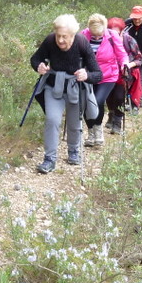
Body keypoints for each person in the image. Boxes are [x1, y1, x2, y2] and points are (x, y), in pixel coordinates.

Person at [29, 14, 102, 173]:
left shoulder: (82, 42)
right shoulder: (50, 40)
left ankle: (74, 151)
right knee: (52, 120)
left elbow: (98, 74)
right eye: (58, 36)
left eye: (64, 37)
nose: (60, 40)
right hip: (53, 86)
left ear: (73, 35)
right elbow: (35, 59)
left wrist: (86, 75)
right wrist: (39, 66)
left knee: (75, 122)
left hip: (75, 87)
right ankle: (49, 159)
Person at [79, 14, 130, 147]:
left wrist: (125, 64)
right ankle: (91, 133)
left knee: (98, 101)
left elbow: (122, 54)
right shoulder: (83, 35)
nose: (96, 37)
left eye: (99, 35)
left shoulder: (112, 36)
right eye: (93, 35)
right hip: (88, 75)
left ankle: (98, 130)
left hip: (108, 75)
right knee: (87, 102)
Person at [106, 16, 142, 131]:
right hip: (108, 73)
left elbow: (139, 59)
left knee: (119, 97)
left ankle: (117, 123)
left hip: (124, 74)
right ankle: (111, 116)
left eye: (116, 33)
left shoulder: (129, 40)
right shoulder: (104, 39)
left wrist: (129, 65)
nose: (114, 36)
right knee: (109, 97)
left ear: (122, 31)